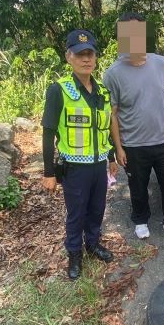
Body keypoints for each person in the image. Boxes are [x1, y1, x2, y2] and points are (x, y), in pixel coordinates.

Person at [103, 12, 164, 239]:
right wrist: (118, 148)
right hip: (133, 144)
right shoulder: (113, 74)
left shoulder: (161, 63)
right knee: (138, 188)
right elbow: (112, 114)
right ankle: (141, 220)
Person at [42, 29, 118, 280]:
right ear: (69, 57)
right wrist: (49, 173)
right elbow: (48, 133)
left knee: (97, 209)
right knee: (76, 213)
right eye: (80, 54)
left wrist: (111, 158)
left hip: (98, 166)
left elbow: (104, 128)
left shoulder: (103, 92)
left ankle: (93, 244)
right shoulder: (59, 91)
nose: (86, 59)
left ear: (96, 58)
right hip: (74, 168)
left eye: (90, 54)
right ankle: (74, 253)